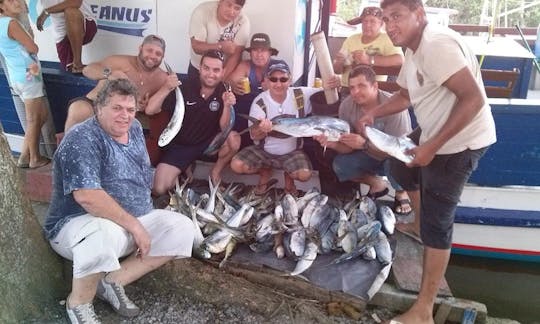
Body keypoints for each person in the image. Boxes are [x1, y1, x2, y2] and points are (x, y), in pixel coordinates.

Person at [358, 0, 496, 322]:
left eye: (398, 17)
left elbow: (473, 99)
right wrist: (372, 113)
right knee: (397, 164)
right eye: (386, 18)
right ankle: (418, 223)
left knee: (438, 223)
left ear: (419, 14)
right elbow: (405, 96)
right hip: (435, 130)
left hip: (460, 143)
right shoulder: (413, 48)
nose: (391, 26)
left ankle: (423, 310)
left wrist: (431, 147)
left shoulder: (435, 45)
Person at [43, 79, 195, 323]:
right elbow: (87, 197)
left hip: (131, 220)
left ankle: (112, 282)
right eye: (117, 108)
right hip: (77, 226)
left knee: (183, 229)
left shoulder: (134, 127)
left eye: (130, 109)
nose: (125, 116)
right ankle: (78, 303)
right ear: (99, 107)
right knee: (102, 233)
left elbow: (140, 170)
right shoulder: (82, 139)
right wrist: (135, 227)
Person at [314, 65, 412, 210]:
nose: (355, 92)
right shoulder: (346, 106)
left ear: (375, 86)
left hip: (394, 156)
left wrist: (364, 144)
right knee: (340, 165)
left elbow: (400, 150)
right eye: (352, 87)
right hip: (367, 155)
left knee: (397, 166)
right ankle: (376, 183)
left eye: (361, 86)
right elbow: (347, 146)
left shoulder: (394, 108)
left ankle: (401, 191)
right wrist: (332, 144)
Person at [150, 50, 240, 195]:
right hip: (180, 146)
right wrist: (166, 87)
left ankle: (215, 173)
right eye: (206, 68)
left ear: (223, 72)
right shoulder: (183, 86)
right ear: (200, 68)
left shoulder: (225, 90)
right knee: (159, 189)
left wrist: (227, 105)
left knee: (234, 140)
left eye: (216, 70)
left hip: (208, 144)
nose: (211, 74)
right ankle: (185, 168)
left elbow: (225, 128)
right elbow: (150, 110)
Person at [230, 60, 319, 196]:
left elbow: (326, 94)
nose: (278, 84)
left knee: (305, 175)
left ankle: (289, 179)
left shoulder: (300, 95)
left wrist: (335, 84)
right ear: (266, 80)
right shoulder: (260, 102)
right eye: (273, 79)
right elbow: (254, 135)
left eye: (283, 79)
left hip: (292, 151)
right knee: (236, 165)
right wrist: (262, 130)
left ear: (290, 80)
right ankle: (264, 172)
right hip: (264, 151)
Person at [63, 34, 179, 132]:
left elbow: (151, 110)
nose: (153, 56)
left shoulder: (162, 78)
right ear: (140, 48)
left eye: (158, 54)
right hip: (95, 105)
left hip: (124, 117)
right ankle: (67, 155)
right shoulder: (119, 61)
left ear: (162, 57)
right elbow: (87, 70)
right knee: (78, 109)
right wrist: (109, 74)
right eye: (149, 50)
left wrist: (143, 106)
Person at [0, 0, 50, 168]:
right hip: (28, 75)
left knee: (40, 116)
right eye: (11, 0)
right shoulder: (11, 23)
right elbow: (33, 48)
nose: (17, 2)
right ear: (2, 6)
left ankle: (24, 155)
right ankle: (33, 157)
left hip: (19, 76)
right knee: (34, 118)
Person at [333, 6, 403, 95]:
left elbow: (400, 60)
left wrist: (369, 59)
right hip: (348, 89)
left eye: (372, 21)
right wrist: (338, 62)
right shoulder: (351, 39)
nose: (367, 25)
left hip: (373, 91)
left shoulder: (387, 39)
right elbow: (337, 71)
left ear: (381, 24)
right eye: (365, 21)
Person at [227, 32, 280, 149]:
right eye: (255, 50)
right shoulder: (246, 65)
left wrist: (271, 88)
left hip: (269, 114)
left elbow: (285, 86)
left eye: (263, 50)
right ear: (250, 53)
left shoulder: (278, 66)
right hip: (247, 114)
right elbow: (231, 80)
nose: (259, 54)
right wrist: (233, 84)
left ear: (270, 53)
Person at [188, 0, 250, 84]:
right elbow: (196, 47)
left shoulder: (243, 21)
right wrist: (220, 46)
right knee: (192, 96)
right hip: (198, 69)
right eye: (228, 5)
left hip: (224, 71)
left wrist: (221, 80)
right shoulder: (202, 12)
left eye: (237, 8)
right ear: (220, 1)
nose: (231, 12)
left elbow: (236, 54)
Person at [36, 0, 97, 73]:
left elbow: (76, 2)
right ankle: (76, 65)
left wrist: (46, 12)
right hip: (62, 33)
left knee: (71, 11)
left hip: (86, 24)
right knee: (70, 69)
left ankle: (78, 63)